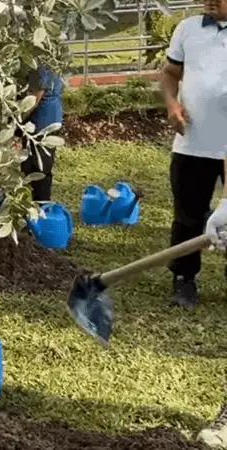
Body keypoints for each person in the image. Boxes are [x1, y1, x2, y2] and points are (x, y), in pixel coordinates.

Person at [163, 3, 227, 312]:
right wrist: (172, 104)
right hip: (193, 143)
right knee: (187, 216)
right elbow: (170, 73)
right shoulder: (187, 29)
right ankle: (184, 278)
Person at [19, 64, 63, 202]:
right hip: (48, 119)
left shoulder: (39, 68)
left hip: (42, 123)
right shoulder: (50, 64)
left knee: (40, 167)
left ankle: (41, 204)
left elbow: (33, 100)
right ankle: (33, 204)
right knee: (30, 165)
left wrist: (15, 122)